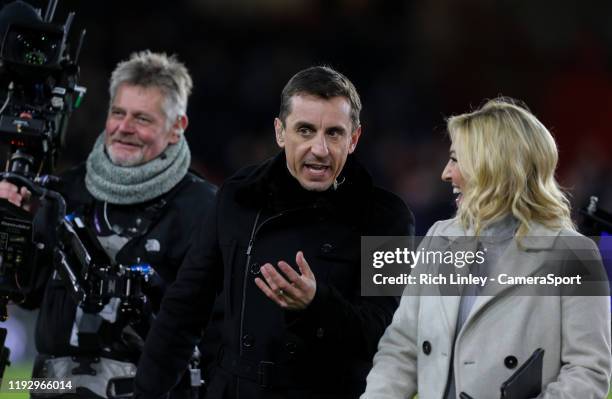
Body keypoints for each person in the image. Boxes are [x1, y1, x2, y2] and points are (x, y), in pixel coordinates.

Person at [134, 65, 415, 399]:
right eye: (305, 131)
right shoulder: (237, 196)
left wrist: (316, 305)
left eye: (334, 133)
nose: (320, 149)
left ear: (354, 139)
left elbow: (385, 336)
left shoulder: (388, 218)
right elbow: (183, 311)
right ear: (281, 133)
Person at [361, 98, 612, 398]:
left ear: (494, 166)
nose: (445, 173)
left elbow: (588, 372)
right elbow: (401, 349)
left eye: (456, 159)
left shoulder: (574, 254)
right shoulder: (440, 237)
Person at [0, 50, 216, 398]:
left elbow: (218, 333)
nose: (124, 128)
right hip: (49, 386)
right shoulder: (65, 190)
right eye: (118, 113)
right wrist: (13, 225)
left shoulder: (204, 209)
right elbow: (27, 292)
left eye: (142, 119)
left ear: (177, 127)